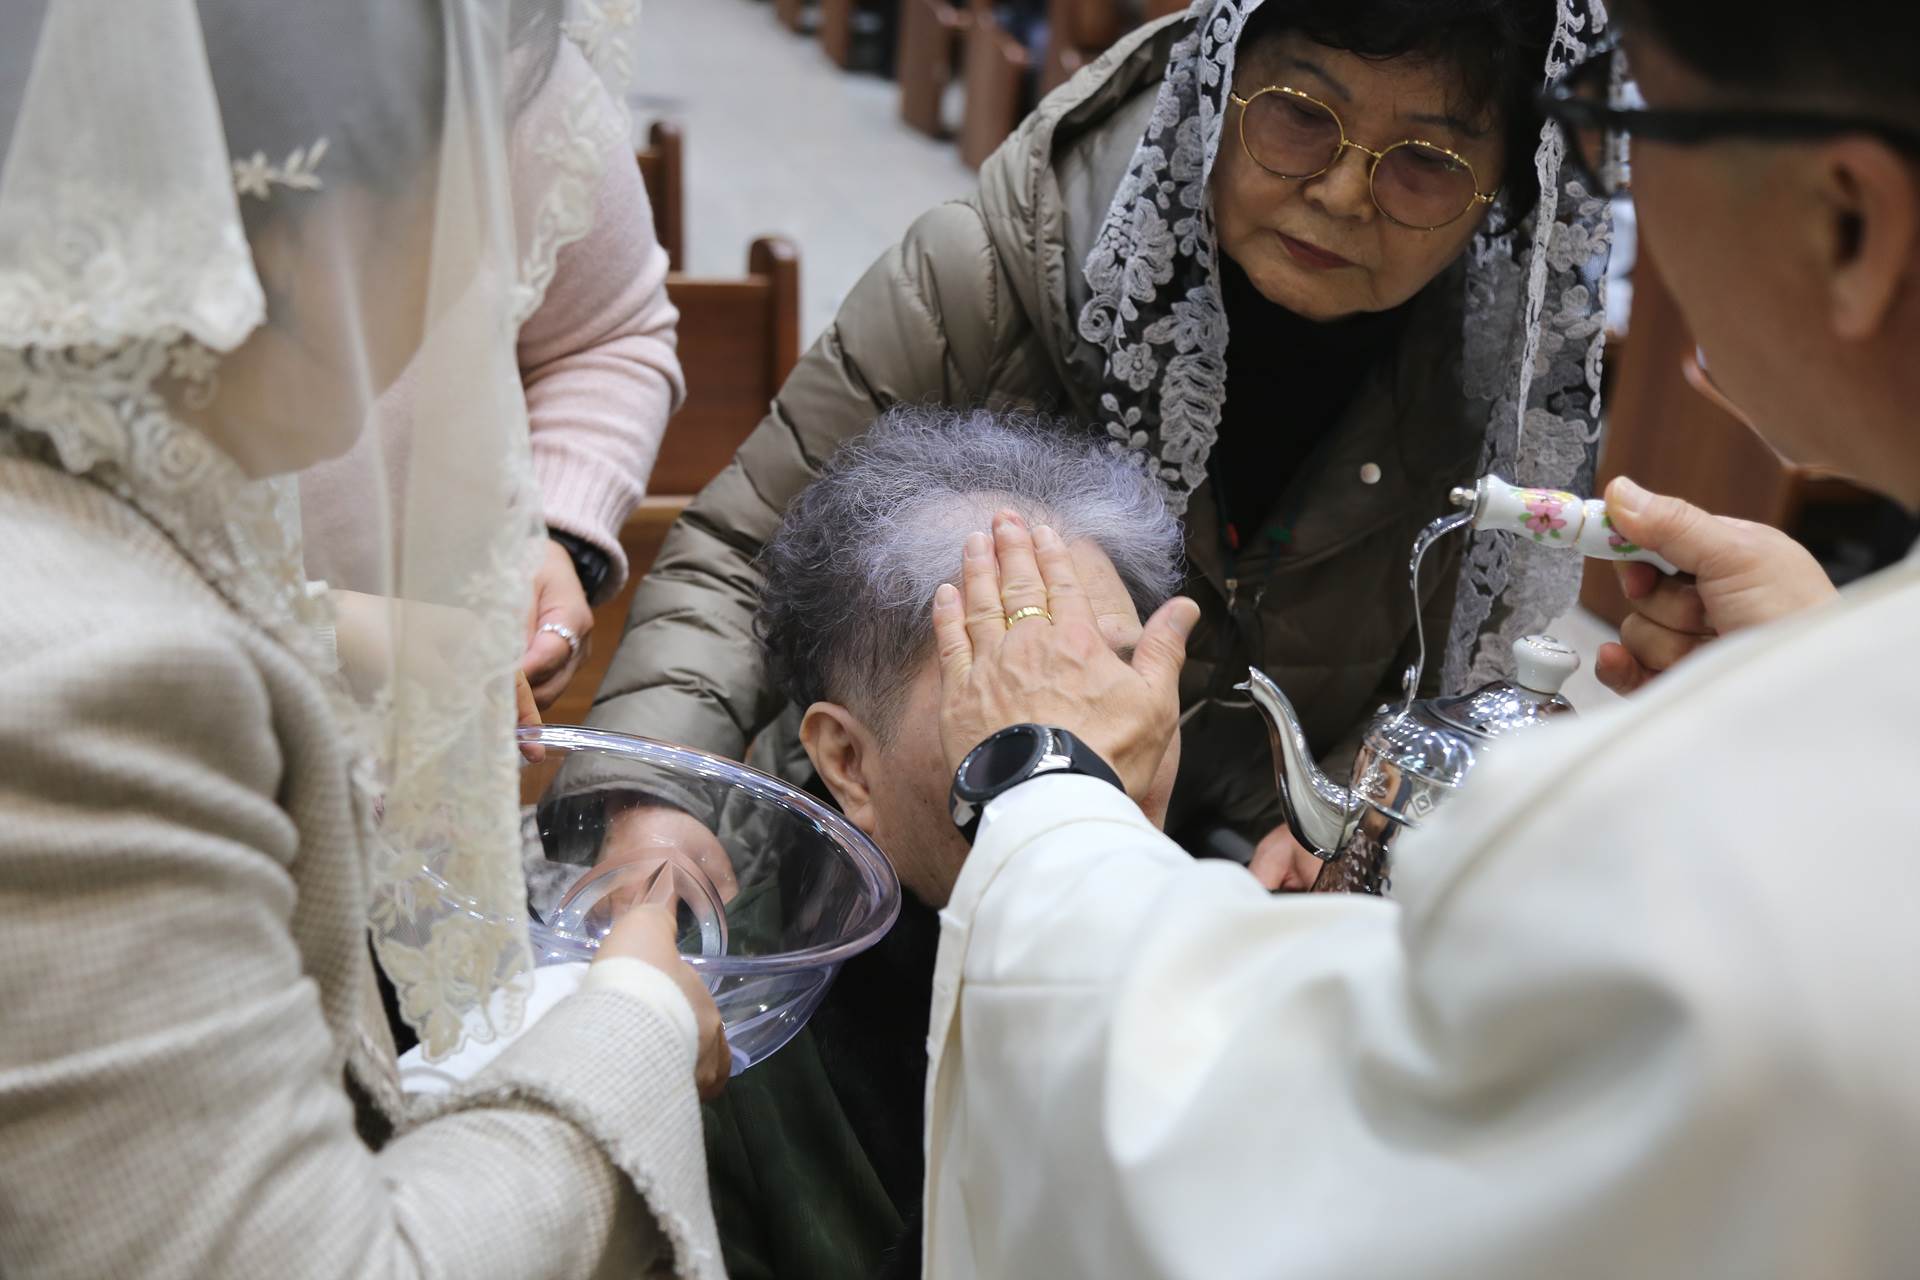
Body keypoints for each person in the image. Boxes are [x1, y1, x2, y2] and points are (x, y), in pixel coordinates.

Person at [914, 0, 1920, 1273]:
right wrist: (1812, 666)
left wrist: (1046, 781)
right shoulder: (1849, 721)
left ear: (1852, 225)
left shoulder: (1688, 838)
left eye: (1631, 128)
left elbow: (1264, 1171)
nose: (1345, 195)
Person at [0, 3, 727, 1276]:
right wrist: (635, 1020)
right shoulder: (103, 694)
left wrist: (402, 630)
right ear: (299, 241)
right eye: (458, 225)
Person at [590, 0, 1613, 892]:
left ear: (1506, 188)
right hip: (889, 866)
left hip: (1202, 912)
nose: (1345, 194)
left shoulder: (1493, 394)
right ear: (1215, 86)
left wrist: (1340, 808)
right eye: (1301, 116)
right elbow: (745, 552)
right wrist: (654, 790)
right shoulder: (991, 275)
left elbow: (1439, 675)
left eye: (1427, 165)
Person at [698, 408, 1186, 1280]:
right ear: (848, 762)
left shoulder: (1232, 945)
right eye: (1012, 676)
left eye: (1117, 668)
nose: (1110, 731)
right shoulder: (723, 1041)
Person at [299, 29, 686, 711]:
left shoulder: (494, 40)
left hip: (438, 691)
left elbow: (605, 333)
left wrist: (554, 534)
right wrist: (327, 628)